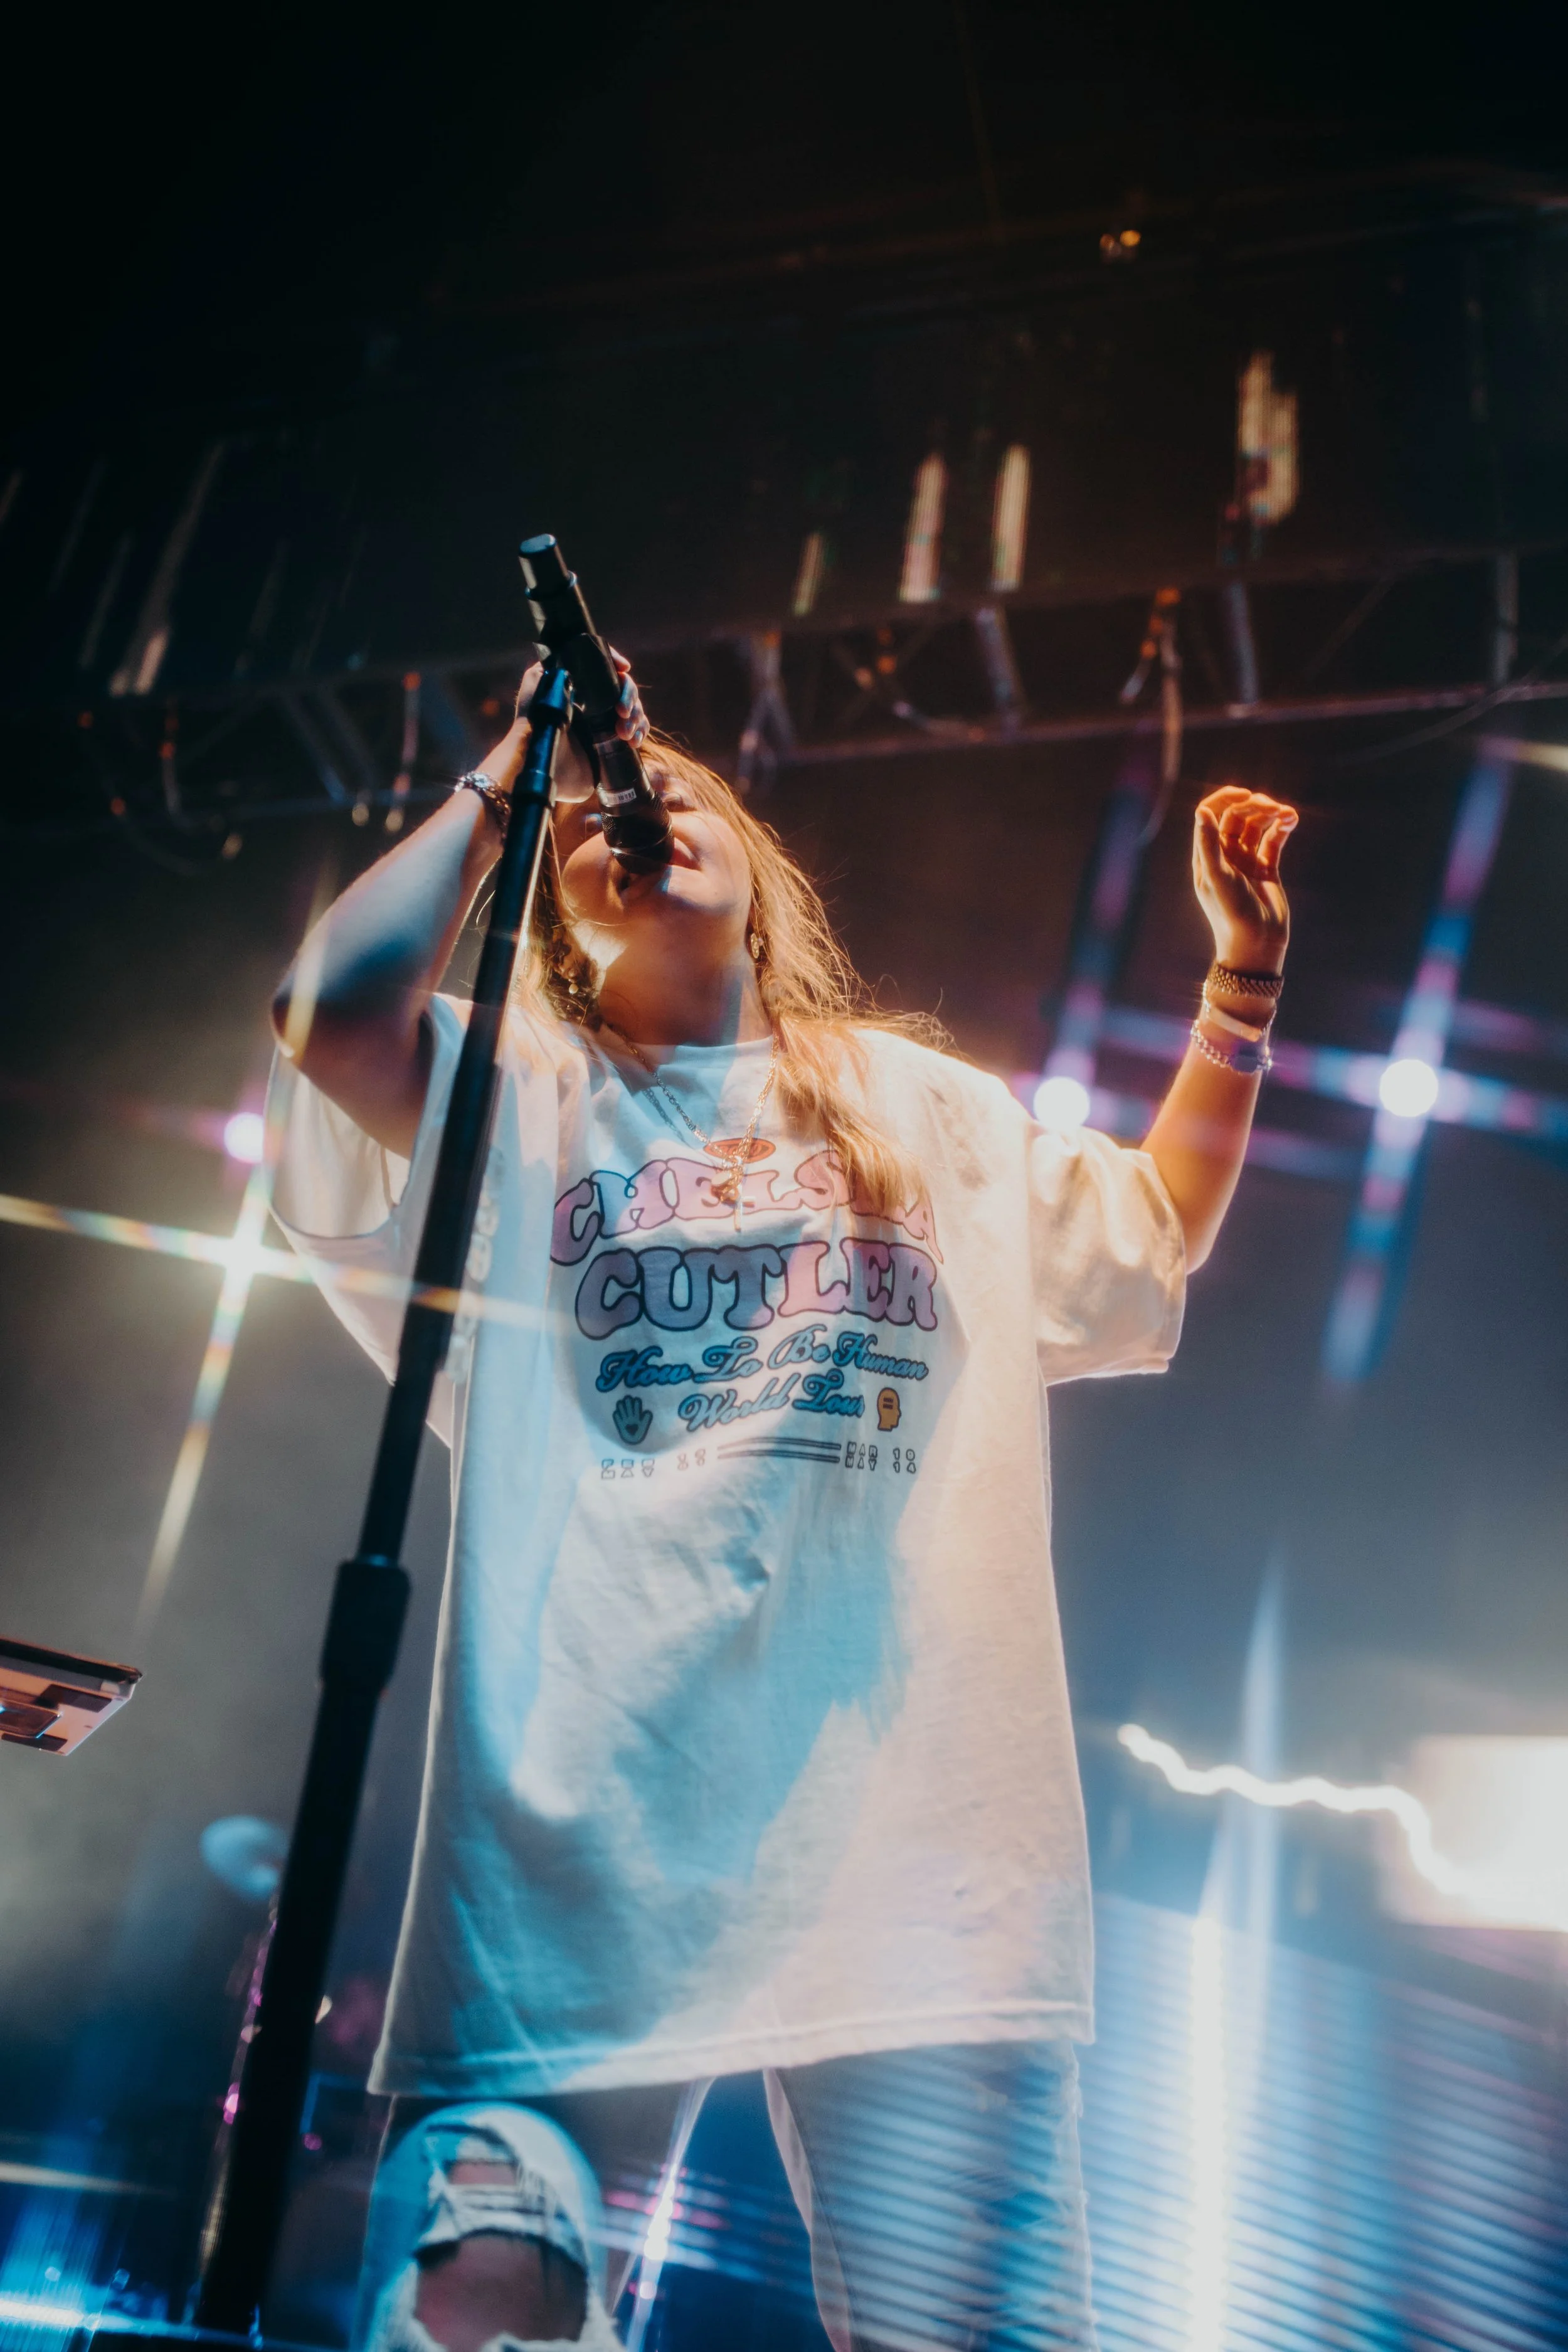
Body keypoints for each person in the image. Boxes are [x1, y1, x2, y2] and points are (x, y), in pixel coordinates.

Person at [268, 652, 1296, 2352]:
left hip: (918, 1862)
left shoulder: (929, 1113)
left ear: (759, 863)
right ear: (559, 908)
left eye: (672, 787)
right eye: (598, 812)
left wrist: (1238, 985)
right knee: (484, 2323)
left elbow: (1151, 1224)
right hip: (576, 1848)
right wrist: (509, 770)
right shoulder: (520, 1096)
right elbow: (329, 1015)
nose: (636, 803)